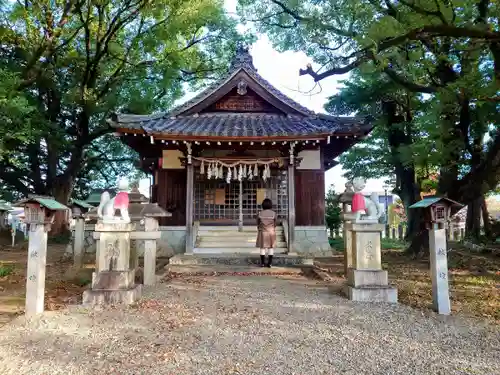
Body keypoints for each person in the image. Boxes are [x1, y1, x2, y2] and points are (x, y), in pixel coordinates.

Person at [256, 198, 276, 267]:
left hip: (262, 232)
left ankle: (262, 263)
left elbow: (258, 223)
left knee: (262, 247)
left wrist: (260, 228)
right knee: (270, 247)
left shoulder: (259, 213)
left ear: (263, 205)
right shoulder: (274, 213)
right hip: (271, 232)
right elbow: (275, 223)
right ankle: (270, 263)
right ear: (270, 205)